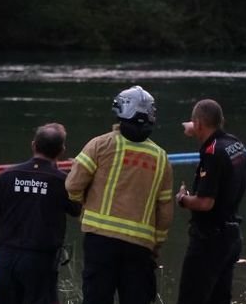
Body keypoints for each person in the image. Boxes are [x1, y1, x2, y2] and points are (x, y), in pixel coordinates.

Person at [65, 85, 174, 304]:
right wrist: (157, 244)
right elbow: (165, 213)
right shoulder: (161, 158)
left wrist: (83, 208)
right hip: (140, 247)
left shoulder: (100, 145)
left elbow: (73, 185)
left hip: (100, 242)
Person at [0, 123, 81, 304]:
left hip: (6, 259)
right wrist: (77, 175)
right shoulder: (62, 181)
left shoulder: (8, 176)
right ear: (61, 151)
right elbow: (78, 211)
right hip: (40, 261)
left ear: (33, 145)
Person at [174, 99, 246, 304]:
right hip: (231, 237)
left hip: (209, 241)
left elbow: (205, 202)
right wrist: (195, 125)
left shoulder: (212, 153)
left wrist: (182, 199)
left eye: (194, 122)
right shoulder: (235, 144)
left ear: (199, 124)